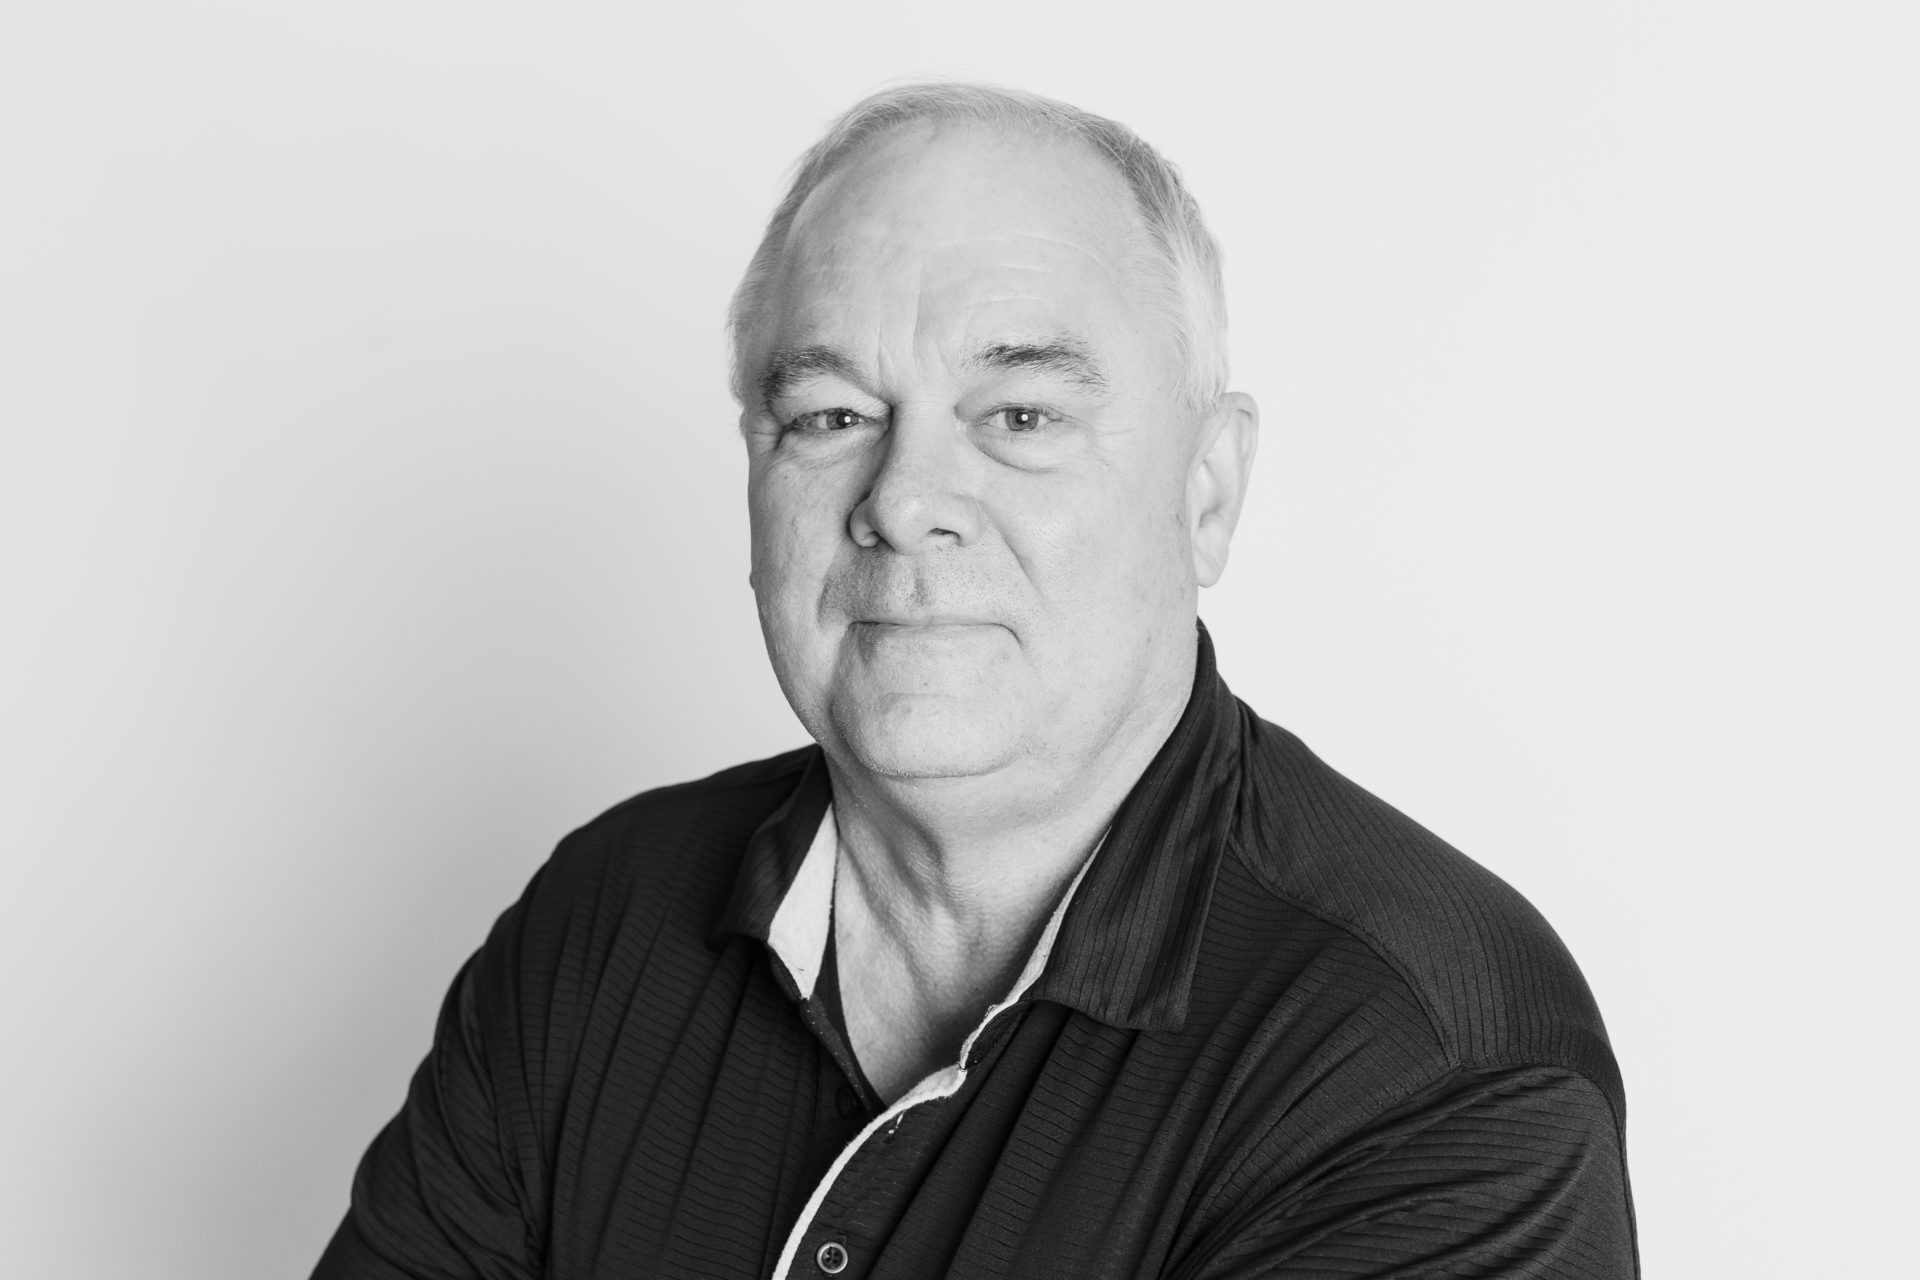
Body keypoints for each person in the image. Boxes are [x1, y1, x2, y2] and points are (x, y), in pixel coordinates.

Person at [313, 82, 1638, 1279]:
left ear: (1208, 491)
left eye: (1020, 418)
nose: (904, 499)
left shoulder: (1430, 1066)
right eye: (832, 416)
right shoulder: (606, 922)